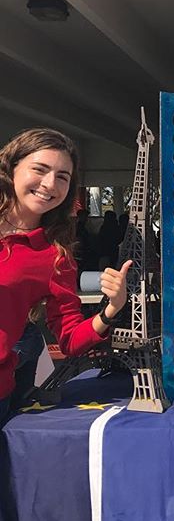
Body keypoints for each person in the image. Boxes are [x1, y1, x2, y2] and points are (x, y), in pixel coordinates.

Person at [0, 128, 132, 425]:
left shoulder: (53, 257)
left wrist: (112, 309)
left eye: (62, 176)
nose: (49, 184)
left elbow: (70, 339)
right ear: (11, 168)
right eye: (40, 169)